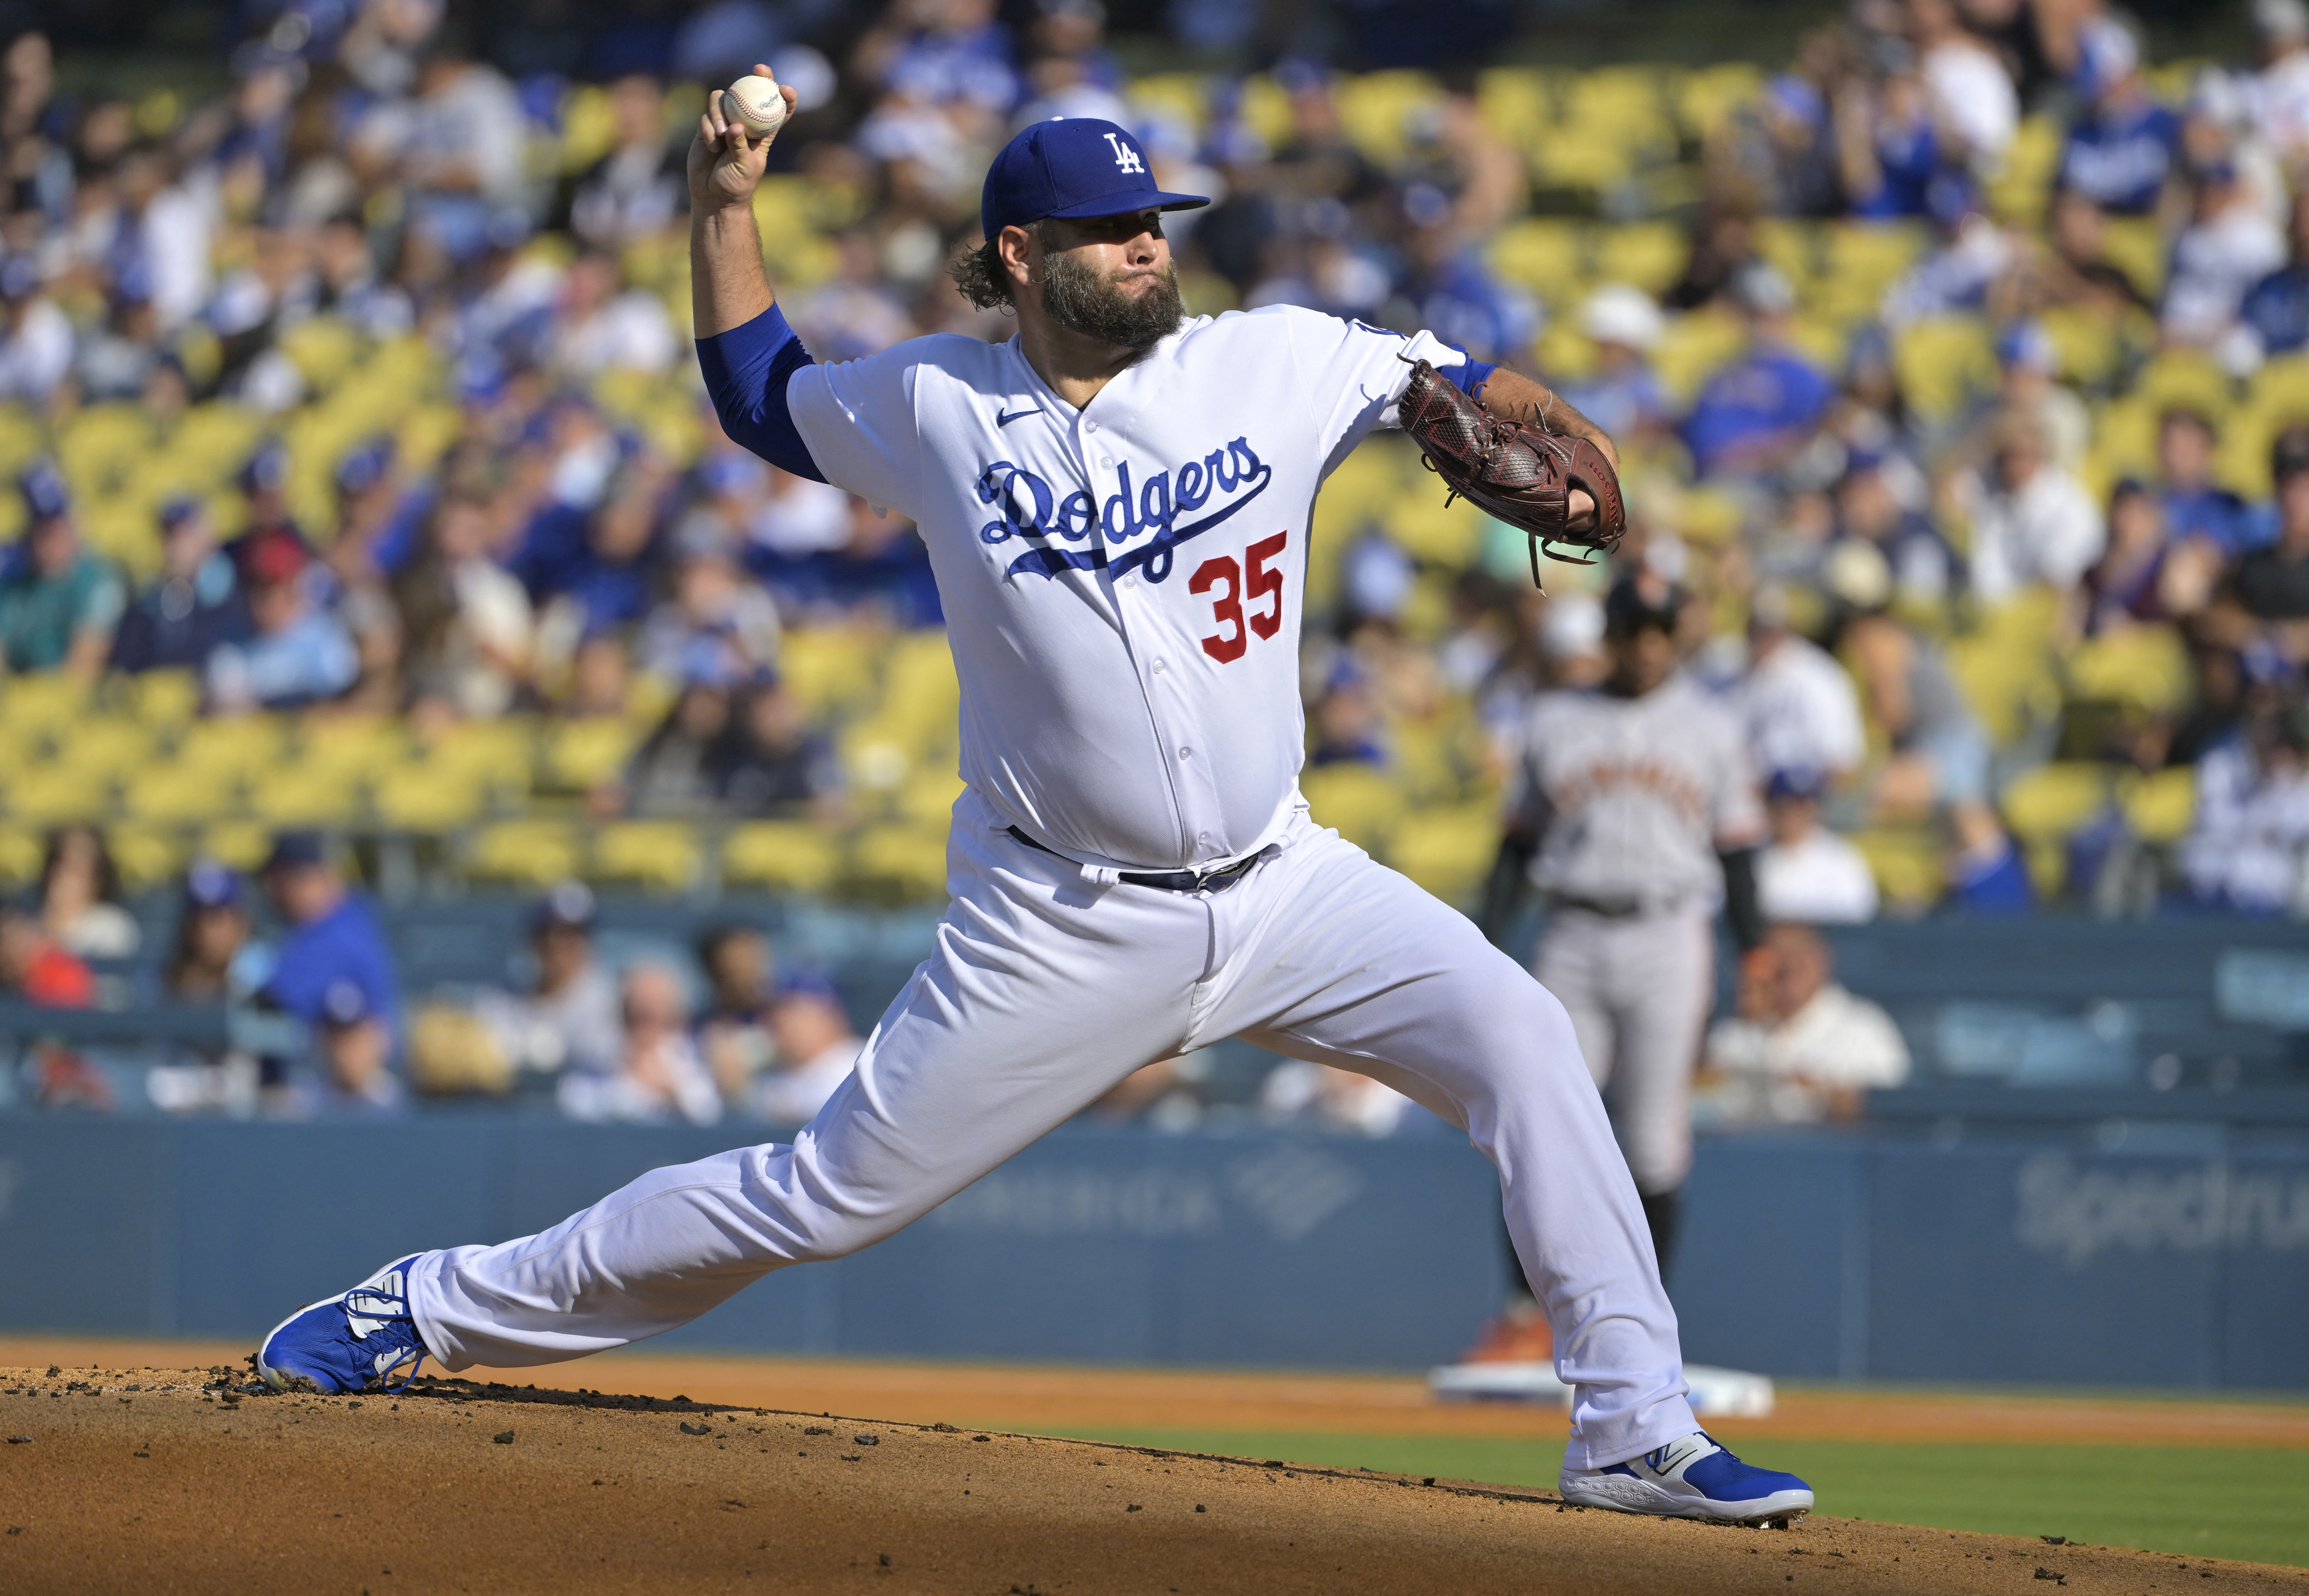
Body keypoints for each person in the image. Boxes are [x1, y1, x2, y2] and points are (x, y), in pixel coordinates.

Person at [258, 100, 1811, 1526]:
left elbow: (1460, 385)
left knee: (1527, 1038)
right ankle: (433, 1303)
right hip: (1061, 918)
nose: (1150, 247)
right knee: (822, 1197)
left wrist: (1532, 424)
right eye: (1113, 230)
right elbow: (756, 393)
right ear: (1020, 254)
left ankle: (1630, 1424)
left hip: (1288, 883)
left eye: (1157, 223)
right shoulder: (935, 405)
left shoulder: (1270, 357)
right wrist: (724, 201)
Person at [1499, 575, 1766, 1279]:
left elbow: (1737, 851)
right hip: (1572, 931)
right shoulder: (1553, 718)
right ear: (1609, 637)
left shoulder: (1713, 725)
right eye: (1634, 631)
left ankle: (1646, 1320)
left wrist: (1757, 947)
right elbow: (1518, 845)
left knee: (1651, 1140)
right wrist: (1487, 938)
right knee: (1544, 1128)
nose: (1647, 646)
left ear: (1677, 638)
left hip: (1668, 932)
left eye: (1659, 631)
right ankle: (1527, 1311)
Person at [1698, 923, 1910, 1127]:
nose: (1789, 966)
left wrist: (1827, 1094)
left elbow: (1893, 1111)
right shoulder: (1732, 1034)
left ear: (1823, 960)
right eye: (1777, 957)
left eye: (1801, 955)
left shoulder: (1865, 1027)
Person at [255, 831, 401, 1059]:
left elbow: (275, 998)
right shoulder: (345, 919)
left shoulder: (340, 934)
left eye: (281, 882)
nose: (272, 893)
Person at [475, 881, 620, 1081]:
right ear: (533, 941)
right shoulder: (501, 1002)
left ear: (587, 942)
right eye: (548, 933)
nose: (557, 944)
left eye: (570, 934)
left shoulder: (611, 1004)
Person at [556, 961, 722, 1127]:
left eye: (655, 1003)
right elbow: (575, 1106)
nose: (644, 1010)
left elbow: (708, 1117)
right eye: (637, 1001)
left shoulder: (695, 1063)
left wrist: (671, 1095)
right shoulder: (594, 1065)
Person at [0, 461, 124, 681]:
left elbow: (82, 668)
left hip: (66, 705)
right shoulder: (15, 585)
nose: (52, 542)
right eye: (43, 532)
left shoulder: (98, 581)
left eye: (57, 529)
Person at [1755, 769, 1878, 925]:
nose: (1792, 814)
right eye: (1784, 805)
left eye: (1801, 805)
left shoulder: (1842, 858)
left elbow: (1860, 917)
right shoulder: (1753, 856)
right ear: (1769, 807)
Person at [754, 970, 862, 1126]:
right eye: (774, 1012)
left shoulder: (863, 1064)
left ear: (831, 1015)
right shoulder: (770, 1075)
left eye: (794, 1011)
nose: (780, 1021)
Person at [695, 921, 777, 1107]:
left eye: (754, 960)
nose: (749, 974)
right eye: (735, 967)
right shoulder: (697, 1031)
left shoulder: (785, 1025)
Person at [37, 825, 138, 959]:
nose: (65, 879)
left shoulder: (112, 925)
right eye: (61, 868)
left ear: (95, 881)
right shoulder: (29, 924)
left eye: (77, 871)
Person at [163, 860, 257, 1002]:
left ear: (242, 925)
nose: (205, 930)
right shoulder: (163, 983)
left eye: (216, 918)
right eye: (197, 918)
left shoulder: (269, 980)